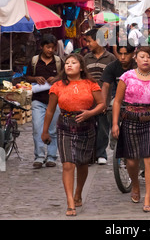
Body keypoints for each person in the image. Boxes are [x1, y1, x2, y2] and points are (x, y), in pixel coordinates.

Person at [41, 53, 105, 217]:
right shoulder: (57, 86)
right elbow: (50, 110)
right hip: (65, 126)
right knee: (68, 164)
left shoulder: (90, 84)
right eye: (67, 63)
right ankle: (70, 201)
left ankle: (78, 192)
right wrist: (45, 130)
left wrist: (90, 114)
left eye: (73, 63)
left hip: (86, 126)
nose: (69, 65)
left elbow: (102, 104)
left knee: (82, 164)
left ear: (81, 67)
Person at [112, 46, 150, 213]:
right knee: (131, 161)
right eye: (142, 57)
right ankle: (135, 185)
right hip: (130, 120)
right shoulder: (127, 77)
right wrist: (115, 123)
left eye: (149, 57)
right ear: (136, 59)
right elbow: (117, 101)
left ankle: (148, 197)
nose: (146, 60)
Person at [26, 34, 64, 169]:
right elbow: (27, 77)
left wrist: (57, 78)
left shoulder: (59, 61)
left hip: (55, 102)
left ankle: (52, 156)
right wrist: (36, 79)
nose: (50, 50)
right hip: (38, 100)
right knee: (37, 128)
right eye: (48, 47)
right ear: (41, 47)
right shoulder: (34, 61)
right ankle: (39, 156)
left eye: (52, 48)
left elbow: (65, 76)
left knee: (53, 129)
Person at [84, 28, 116, 165]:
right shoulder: (86, 58)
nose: (87, 44)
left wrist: (107, 101)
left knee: (103, 127)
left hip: (105, 98)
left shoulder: (111, 58)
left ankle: (101, 153)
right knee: (89, 127)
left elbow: (114, 82)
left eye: (89, 41)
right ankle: (90, 154)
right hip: (89, 99)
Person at [100, 43, 136, 149]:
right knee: (111, 109)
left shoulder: (137, 67)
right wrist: (103, 104)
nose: (123, 57)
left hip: (136, 99)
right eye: (120, 54)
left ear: (133, 54)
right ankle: (114, 132)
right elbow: (106, 85)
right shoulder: (112, 67)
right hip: (117, 98)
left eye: (126, 54)